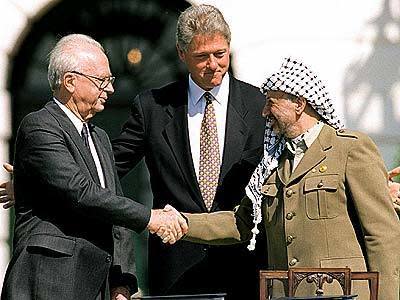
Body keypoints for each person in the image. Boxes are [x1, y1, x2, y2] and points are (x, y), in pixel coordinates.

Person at [165, 57, 400, 299]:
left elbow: (382, 234)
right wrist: (182, 222)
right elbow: (242, 223)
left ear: (299, 103)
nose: (264, 112)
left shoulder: (349, 149)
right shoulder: (271, 162)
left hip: (342, 293)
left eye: (271, 103)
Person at [0, 34, 187, 300]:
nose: (110, 88)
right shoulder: (39, 125)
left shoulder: (99, 137)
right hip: (49, 282)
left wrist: (122, 283)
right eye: (102, 80)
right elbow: (80, 192)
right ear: (70, 82)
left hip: (95, 285)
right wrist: (151, 218)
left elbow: (113, 207)